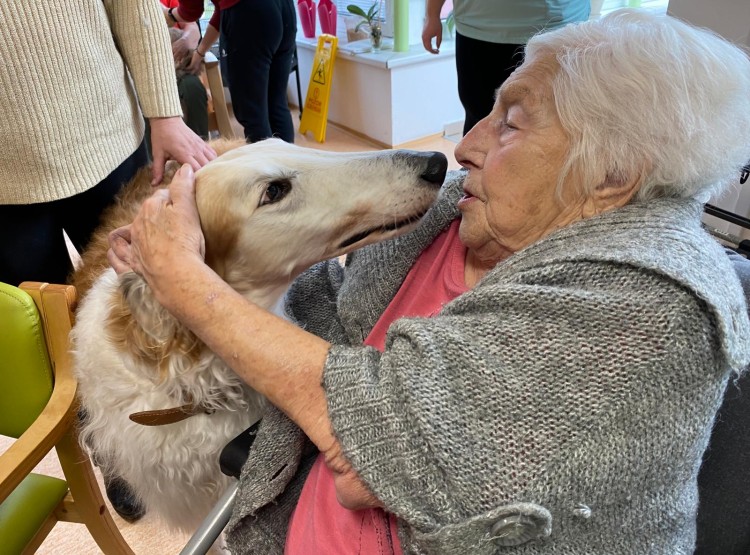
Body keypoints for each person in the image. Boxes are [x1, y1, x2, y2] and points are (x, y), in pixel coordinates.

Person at [109, 10, 750, 554]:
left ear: (611, 173)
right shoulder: (461, 210)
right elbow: (332, 306)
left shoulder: (650, 301)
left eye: (511, 123)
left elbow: (387, 445)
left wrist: (189, 285)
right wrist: (221, 259)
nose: (465, 146)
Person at [0, 0, 216, 289]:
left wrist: (165, 114)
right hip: (7, 182)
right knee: (36, 319)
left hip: (109, 140)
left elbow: (132, 8)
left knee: (148, 289)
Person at [422, 0, 590, 136]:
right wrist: (432, 15)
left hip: (555, 29)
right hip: (476, 29)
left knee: (547, 124)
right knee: (480, 118)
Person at [164, 0, 297, 144]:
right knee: (277, 104)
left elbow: (191, 10)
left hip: (249, 13)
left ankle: (267, 165)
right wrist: (200, 51)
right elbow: (222, 11)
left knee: (254, 114)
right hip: (284, 9)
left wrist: (169, 15)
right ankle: (287, 165)